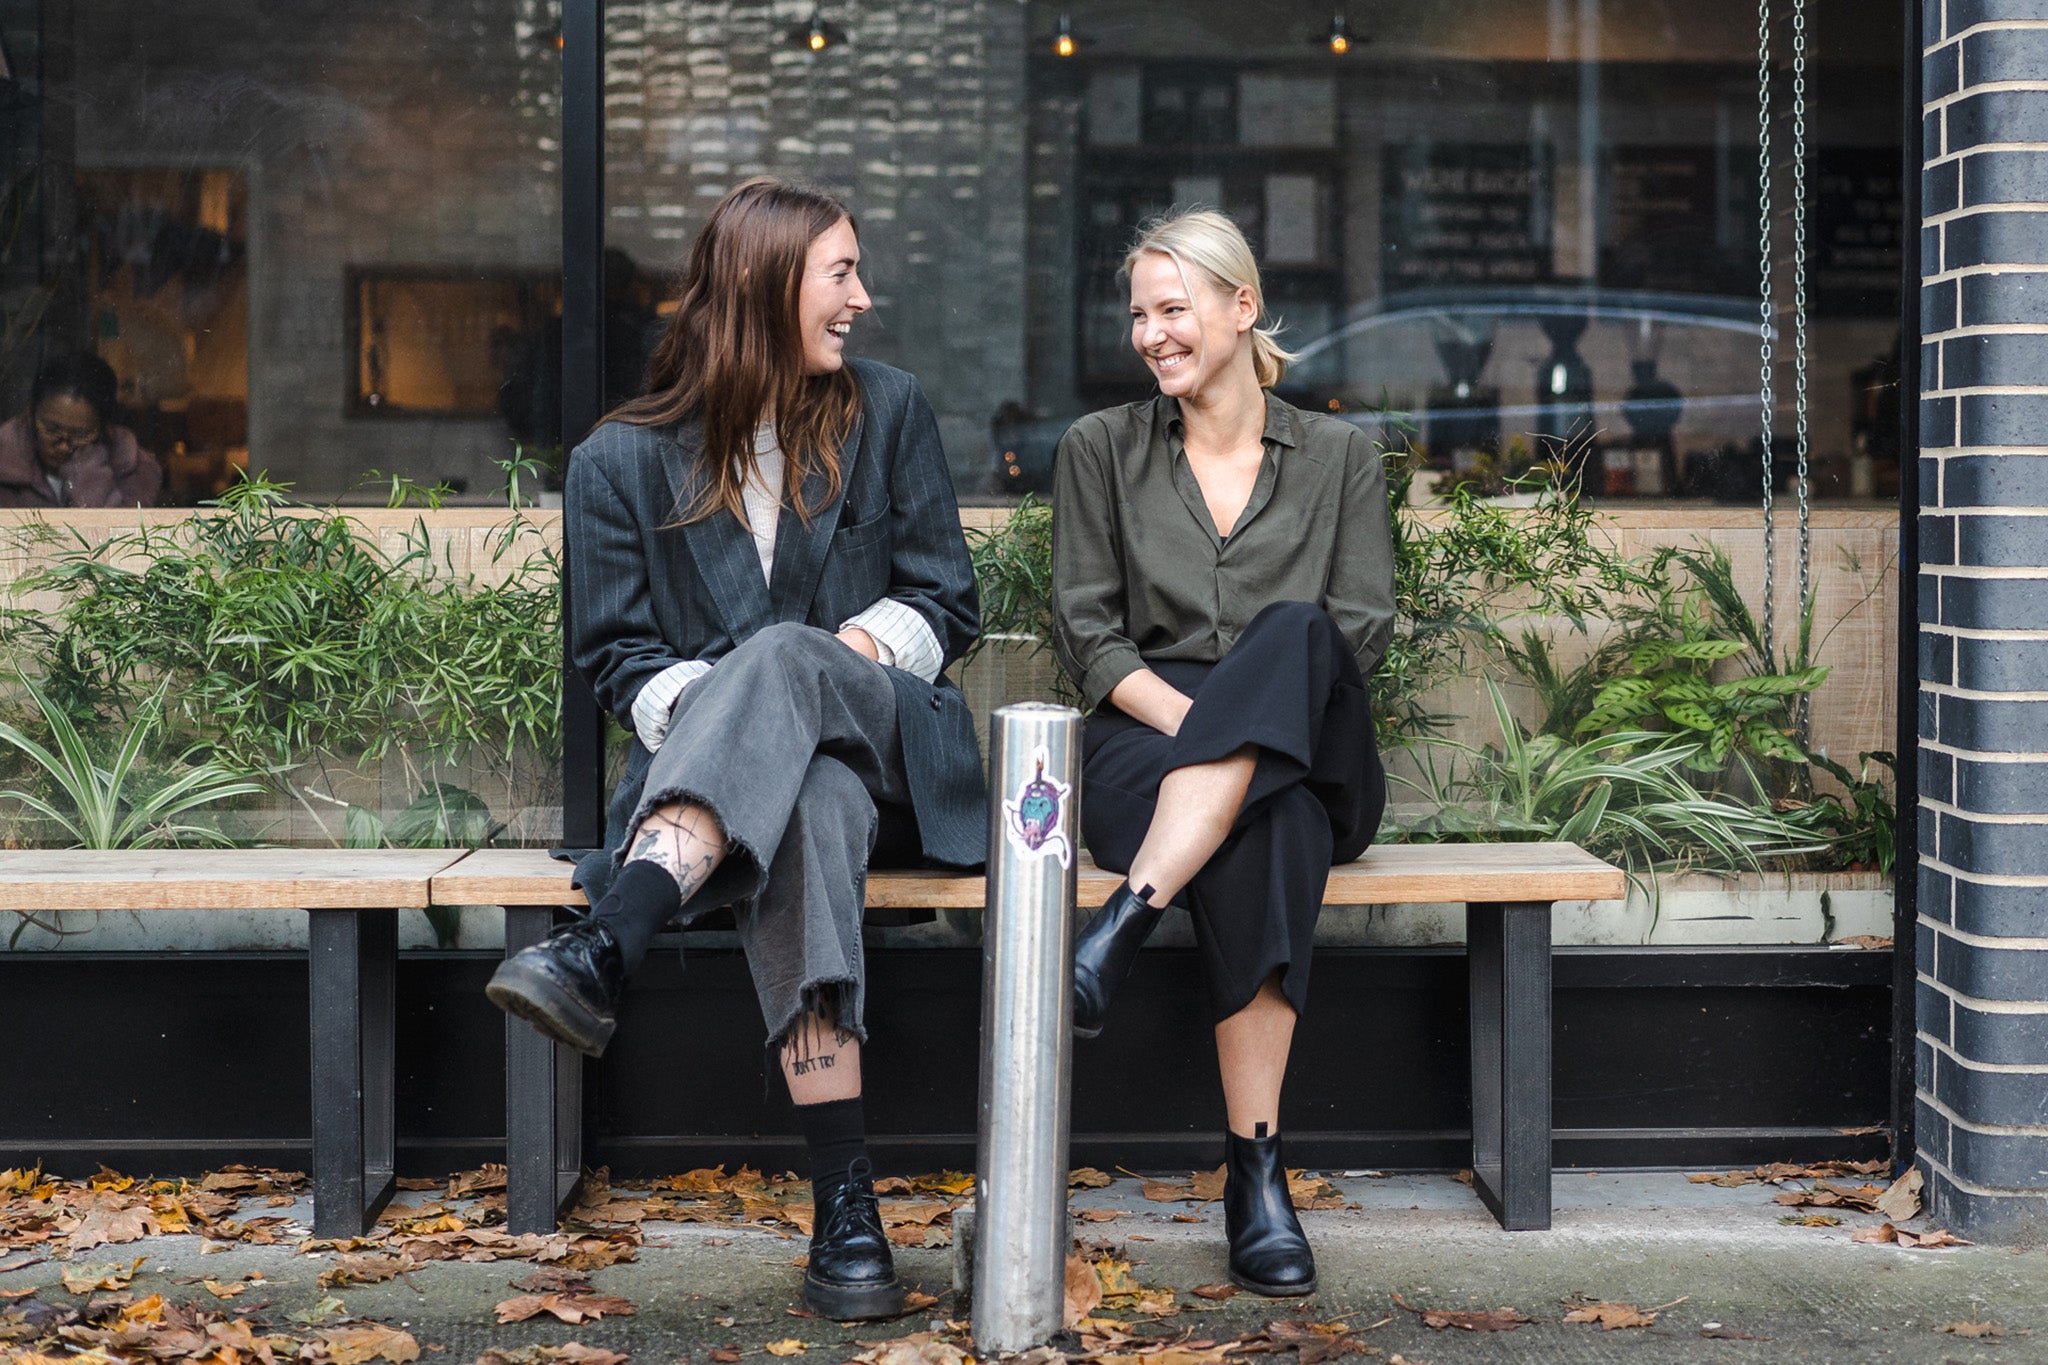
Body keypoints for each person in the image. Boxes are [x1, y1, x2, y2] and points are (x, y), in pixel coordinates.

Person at [486, 178, 985, 1320]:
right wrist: (755, 710)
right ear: (765, 287)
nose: (865, 296)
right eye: (841, 273)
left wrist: (815, 665)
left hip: (892, 751)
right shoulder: (618, 461)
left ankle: (609, 941)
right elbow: (615, 657)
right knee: (802, 798)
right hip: (786, 798)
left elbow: (945, 604)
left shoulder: (887, 411)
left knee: (781, 661)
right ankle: (844, 1204)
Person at [1051, 210, 1394, 1297]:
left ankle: (1128, 916)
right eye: (1138, 313)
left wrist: (1246, 716)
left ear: (1241, 309)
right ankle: (1257, 1175)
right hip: (1146, 743)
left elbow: (1357, 630)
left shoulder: (1339, 455)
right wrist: (1213, 735)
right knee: (1269, 821)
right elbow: (1089, 636)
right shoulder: (1100, 450)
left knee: (1296, 632)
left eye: (1173, 308)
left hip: (1312, 733)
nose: (1151, 333)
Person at [0, 352, 163, 508]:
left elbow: (123, 533)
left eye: (80, 435)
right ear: (30, 415)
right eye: (51, 429)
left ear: (102, 429)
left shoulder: (135, 468)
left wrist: (89, 477)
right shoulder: (5, 462)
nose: (63, 446)